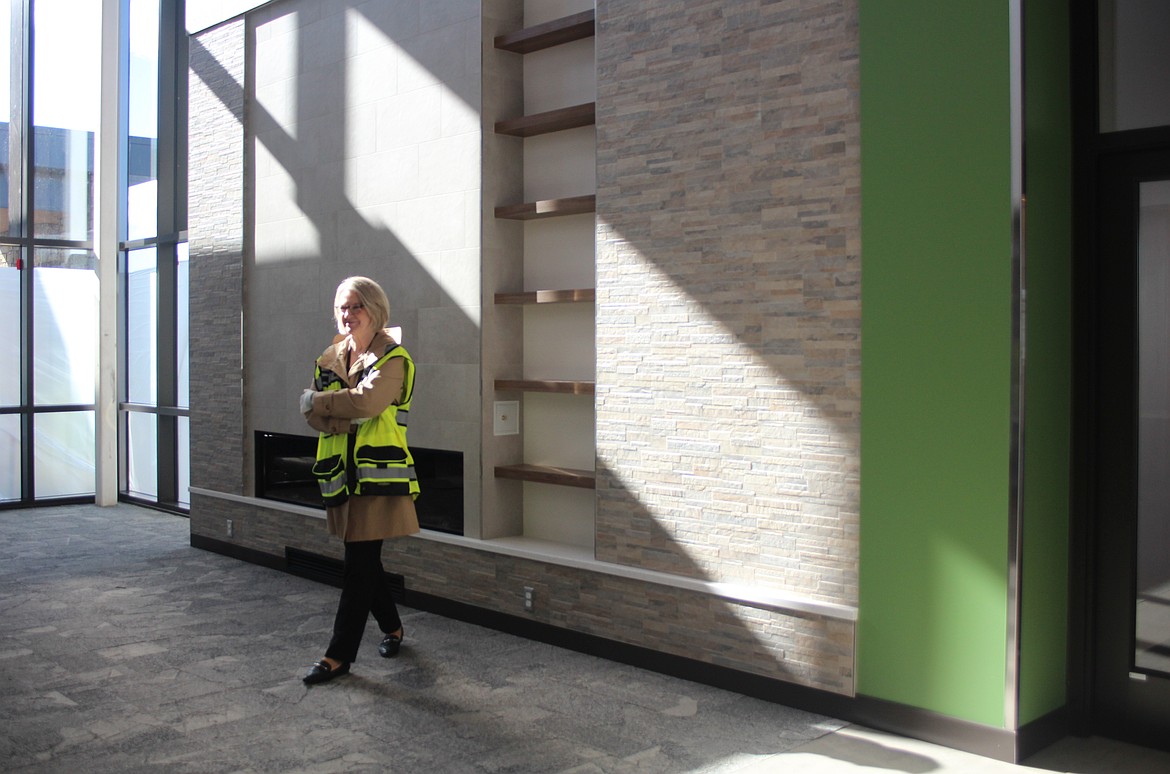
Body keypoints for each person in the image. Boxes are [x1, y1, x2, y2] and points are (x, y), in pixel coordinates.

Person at [298, 276, 420, 685]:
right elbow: (314, 418)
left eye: (355, 307)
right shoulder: (331, 356)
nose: (346, 315)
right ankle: (393, 628)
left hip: (378, 479)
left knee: (358, 564)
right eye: (341, 307)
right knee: (365, 560)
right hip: (342, 477)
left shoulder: (393, 358)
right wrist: (333, 409)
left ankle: (338, 656)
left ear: (374, 309)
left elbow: (367, 403)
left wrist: (320, 402)